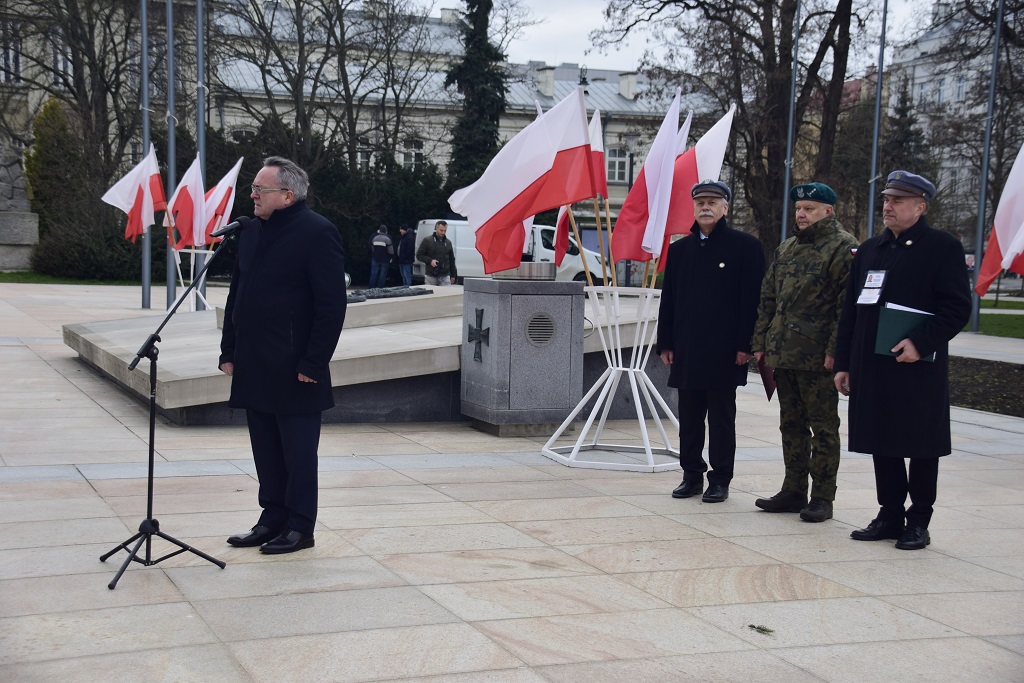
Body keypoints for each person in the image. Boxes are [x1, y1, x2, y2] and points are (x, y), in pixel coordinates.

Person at [834, 170, 971, 550]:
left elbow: (957, 307)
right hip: (872, 364)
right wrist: (844, 361)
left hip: (915, 366)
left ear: (920, 206)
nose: (888, 206)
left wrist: (919, 342)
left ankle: (919, 521)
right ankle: (890, 513)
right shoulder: (871, 249)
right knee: (883, 439)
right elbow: (851, 311)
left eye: (897, 200)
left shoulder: (941, 246)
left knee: (921, 443)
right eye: (886, 199)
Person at [219, 156, 347, 554]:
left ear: (287, 195)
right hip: (255, 364)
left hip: (296, 369)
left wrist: (313, 362)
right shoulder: (250, 232)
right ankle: (271, 518)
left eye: (261, 188)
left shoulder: (317, 232)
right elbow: (236, 295)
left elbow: (331, 305)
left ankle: (299, 527)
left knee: (298, 455)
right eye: (254, 188)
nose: (252, 194)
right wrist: (229, 350)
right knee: (267, 452)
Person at [752, 182, 859, 522]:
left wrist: (835, 353)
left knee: (823, 428)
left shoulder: (843, 248)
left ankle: (822, 497)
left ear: (829, 211)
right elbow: (768, 299)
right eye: (799, 208)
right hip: (784, 353)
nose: (801, 213)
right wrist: (760, 343)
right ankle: (793, 489)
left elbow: (846, 309)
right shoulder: (787, 248)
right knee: (791, 425)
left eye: (809, 208)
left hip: (818, 358)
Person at [657, 179, 765, 503]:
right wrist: (666, 343)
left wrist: (745, 345)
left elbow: (752, 301)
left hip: (724, 352)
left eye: (713, 202)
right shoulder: (679, 251)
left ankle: (720, 479)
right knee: (688, 418)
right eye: (701, 202)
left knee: (720, 419)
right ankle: (691, 475)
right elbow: (669, 300)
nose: (706, 207)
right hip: (687, 351)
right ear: (693, 207)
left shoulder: (745, 247)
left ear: (725, 208)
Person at [416, 219, 457, 286]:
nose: (443, 233)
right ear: (436, 229)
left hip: (445, 275)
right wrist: (430, 261)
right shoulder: (427, 240)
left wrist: (453, 275)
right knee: (432, 294)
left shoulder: (448, 242)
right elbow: (419, 255)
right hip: (431, 275)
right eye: (441, 230)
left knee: (446, 295)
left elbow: (452, 260)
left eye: (445, 231)